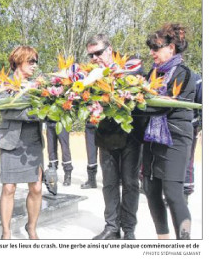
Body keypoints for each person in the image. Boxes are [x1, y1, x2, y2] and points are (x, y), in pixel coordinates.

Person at [86, 34, 145, 240]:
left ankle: (129, 229)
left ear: (109, 50)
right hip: (106, 135)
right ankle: (112, 227)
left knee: (130, 183)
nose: (94, 58)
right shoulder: (89, 76)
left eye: (98, 53)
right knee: (109, 184)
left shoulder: (129, 65)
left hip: (131, 135)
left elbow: (141, 81)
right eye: (91, 55)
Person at [141, 23, 195, 239]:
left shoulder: (184, 74)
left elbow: (163, 104)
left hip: (175, 139)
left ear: (171, 48)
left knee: (173, 194)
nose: (152, 53)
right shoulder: (151, 74)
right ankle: (163, 241)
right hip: (152, 139)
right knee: (151, 191)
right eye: (150, 48)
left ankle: (184, 243)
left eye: (156, 48)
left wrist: (140, 97)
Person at [0, 46, 43, 240]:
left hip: (33, 141)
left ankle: (31, 228)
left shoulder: (39, 86)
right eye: (31, 61)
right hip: (10, 141)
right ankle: (6, 233)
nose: (34, 66)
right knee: (9, 188)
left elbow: (45, 110)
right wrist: (32, 113)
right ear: (19, 60)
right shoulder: (4, 83)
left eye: (35, 62)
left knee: (37, 188)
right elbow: (6, 110)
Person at [183, 73, 201, 202]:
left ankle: (185, 193)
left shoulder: (194, 78)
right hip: (165, 126)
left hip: (189, 125)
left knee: (187, 159)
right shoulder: (159, 74)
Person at [45, 121, 73, 186]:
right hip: (50, 122)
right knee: (51, 148)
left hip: (62, 122)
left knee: (65, 148)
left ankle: (67, 175)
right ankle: (52, 175)